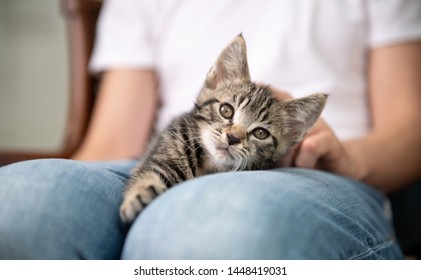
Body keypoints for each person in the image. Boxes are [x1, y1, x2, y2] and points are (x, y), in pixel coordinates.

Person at [1, 0, 420, 259]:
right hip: (165, 152)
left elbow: (411, 129)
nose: (235, 132)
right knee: (25, 201)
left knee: (204, 230)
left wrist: (349, 160)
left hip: (312, 172)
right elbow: (113, 141)